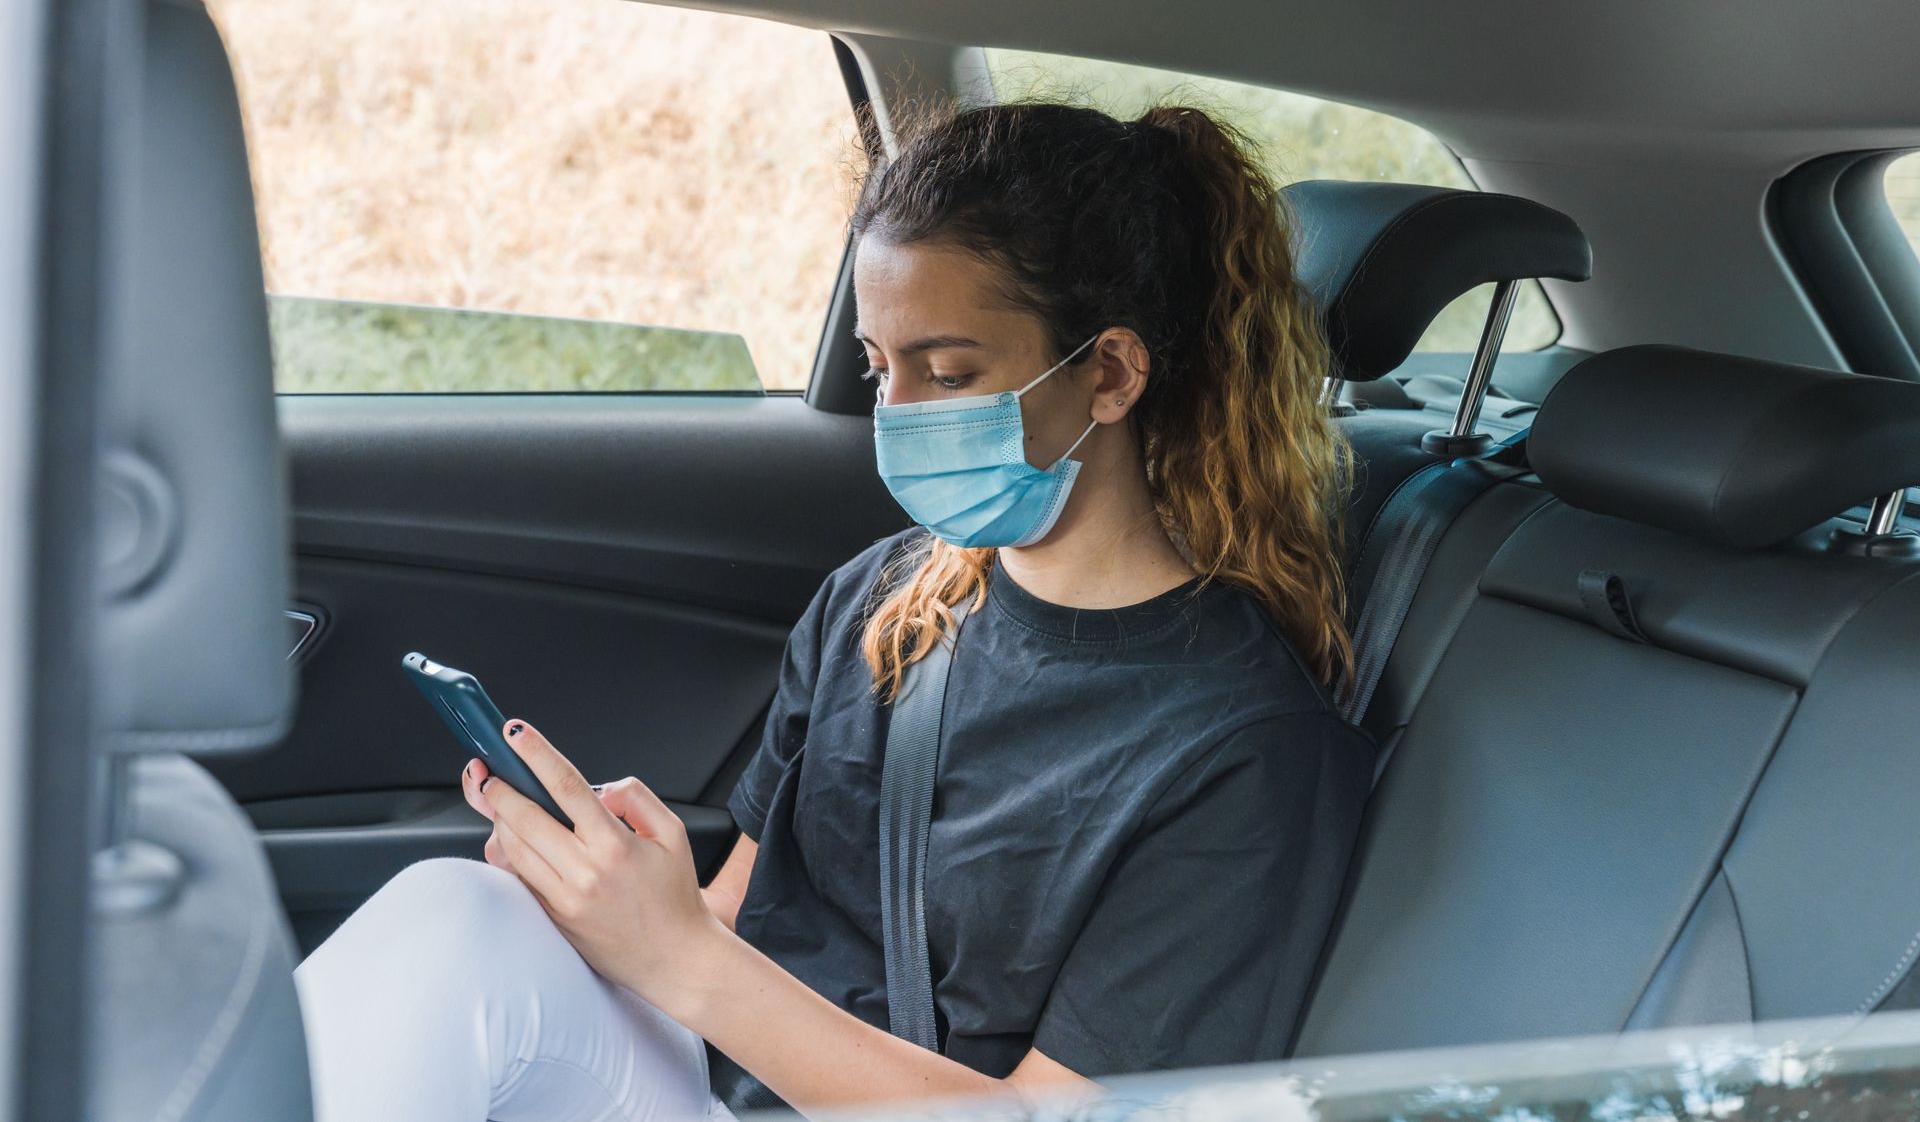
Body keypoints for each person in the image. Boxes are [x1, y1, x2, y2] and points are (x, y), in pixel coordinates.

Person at [292, 100, 1374, 1122]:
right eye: (877, 367)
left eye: (946, 374)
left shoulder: (1246, 753)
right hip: (722, 1087)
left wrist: (678, 953)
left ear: (1110, 374)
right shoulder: (886, 598)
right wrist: (614, 902)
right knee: (464, 916)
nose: (893, 415)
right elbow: (738, 924)